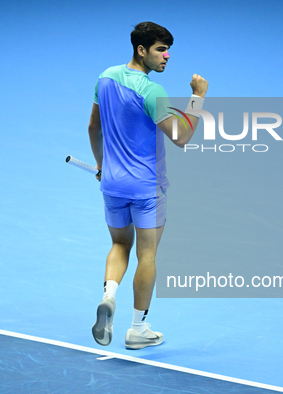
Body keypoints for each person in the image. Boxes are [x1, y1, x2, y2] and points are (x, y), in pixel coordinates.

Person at [88, 21, 208, 350]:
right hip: (146, 189)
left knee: (119, 246)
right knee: (148, 255)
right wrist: (197, 98)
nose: (167, 57)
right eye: (160, 50)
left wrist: (101, 165)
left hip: (112, 185)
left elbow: (93, 127)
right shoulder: (152, 91)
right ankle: (137, 329)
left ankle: (109, 296)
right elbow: (182, 136)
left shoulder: (105, 77)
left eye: (168, 50)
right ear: (141, 50)